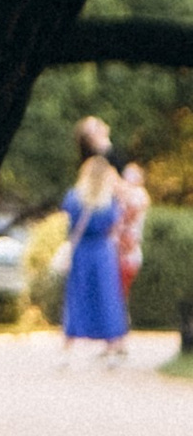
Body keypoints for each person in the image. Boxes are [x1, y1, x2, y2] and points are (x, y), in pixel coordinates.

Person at [62, 150, 130, 364]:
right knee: (107, 297)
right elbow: (113, 222)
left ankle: (68, 345)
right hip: (102, 250)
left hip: (81, 250)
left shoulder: (74, 196)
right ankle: (111, 346)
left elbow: (69, 222)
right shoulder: (109, 200)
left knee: (77, 295)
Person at [118, 158, 150, 318]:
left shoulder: (138, 195)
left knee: (121, 287)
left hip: (128, 248)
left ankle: (120, 320)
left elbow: (129, 215)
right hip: (123, 247)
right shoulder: (125, 195)